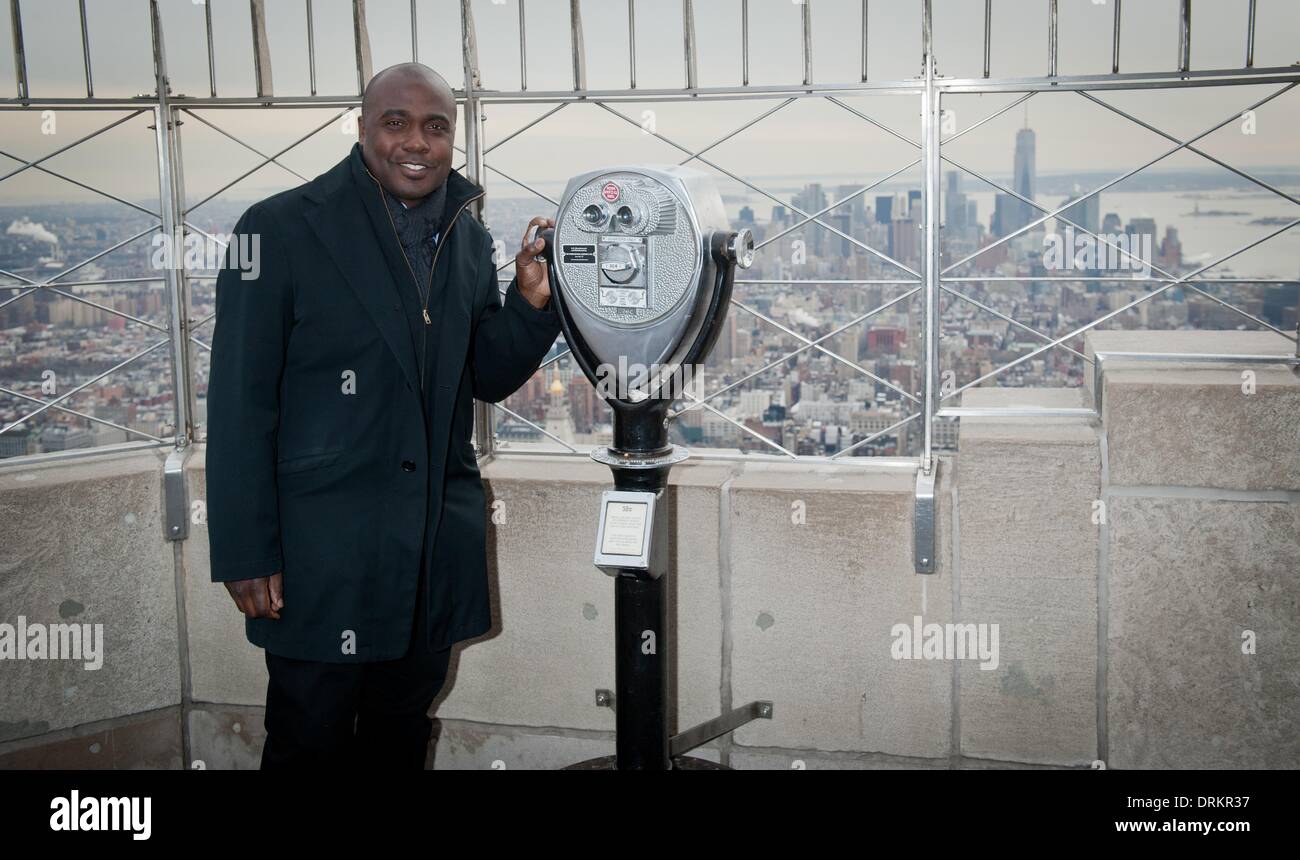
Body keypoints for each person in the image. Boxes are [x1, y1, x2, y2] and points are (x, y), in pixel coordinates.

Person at [205, 62, 561, 769]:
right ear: (361, 128)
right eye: (395, 123)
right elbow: (240, 401)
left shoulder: (466, 237)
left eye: (436, 127)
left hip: (428, 547)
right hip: (321, 554)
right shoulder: (276, 229)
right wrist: (246, 551)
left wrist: (528, 302)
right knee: (311, 739)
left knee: (400, 735)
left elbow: (483, 375)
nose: (417, 143)